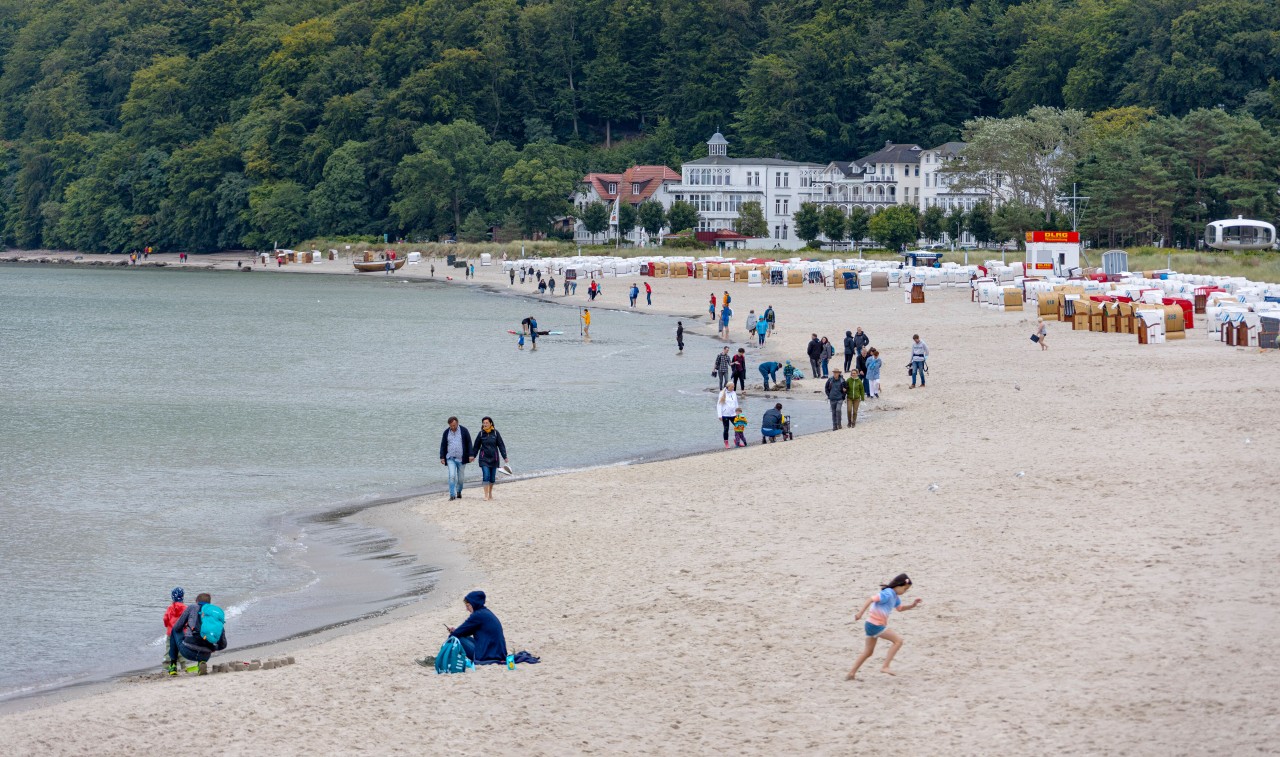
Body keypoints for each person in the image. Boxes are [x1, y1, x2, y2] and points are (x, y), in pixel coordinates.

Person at [846, 574, 923, 681]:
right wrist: (860, 613)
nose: (904, 592)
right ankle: (885, 666)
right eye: (904, 589)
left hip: (870, 625)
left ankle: (851, 674)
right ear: (898, 585)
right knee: (898, 641)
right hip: (875, 625)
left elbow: (900, 608)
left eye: (906, 590)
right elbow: (871, 599)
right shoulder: (887, 593)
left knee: (868, 652)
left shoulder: (895, 597)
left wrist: (913, 605)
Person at [167, 592, 228, 676]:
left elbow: (177, 627)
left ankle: (173, 665)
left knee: (174, 630)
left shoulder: (192, 608)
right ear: (209, 603)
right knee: (204, 639)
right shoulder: (214, 615)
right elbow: (223, 645)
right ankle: (201, 663)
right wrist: (212, 648)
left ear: (196, 601)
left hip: (188, 652)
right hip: (205, 655)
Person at [444, 590, 508, 665]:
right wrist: (455, 631)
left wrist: (451, 636)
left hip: (487, 655)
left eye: (468, 606)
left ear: (474, 604)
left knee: (456, 639)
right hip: (498, 653)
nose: (466, 609)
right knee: (462, 636)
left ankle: (448, 658)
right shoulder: (485, 612)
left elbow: (457, 634)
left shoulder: (477, 615)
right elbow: (465, 631)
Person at [470, 417, 508, 501]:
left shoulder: (495, 433)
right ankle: (486, 495)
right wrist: (473, 456)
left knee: (492, 478)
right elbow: (476, 446)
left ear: (491, 423)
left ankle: (490, 492)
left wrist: (504, 456)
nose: (485, 424)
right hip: (484, 458)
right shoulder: (480, 434)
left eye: (487, 423)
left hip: (494, 458)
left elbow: (501, 445)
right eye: (484, 423)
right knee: (486, 475)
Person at [439, 416, 472, 500]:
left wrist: (471, 455)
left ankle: (459, 491)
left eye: (454, 425)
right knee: (452, 476)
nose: (453, 427)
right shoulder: (446, 432)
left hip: (461, 458)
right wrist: (442, 457)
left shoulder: (464, 431)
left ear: (457, 423)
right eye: (451, 426)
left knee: (461, 478)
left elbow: (469, 443)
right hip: (450, 458)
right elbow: (443, 445)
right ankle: (452, 495)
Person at [162, 587, 186, 674]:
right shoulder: (185, 608)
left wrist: (167, 625)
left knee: (170, 648)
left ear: (172, 597)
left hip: (171, 632)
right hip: (182, 633)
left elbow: (165, 619)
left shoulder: (170, 608)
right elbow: (188, 619)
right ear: (182, 597)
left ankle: (167, 666)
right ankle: (184, 665)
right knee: (182, 648)